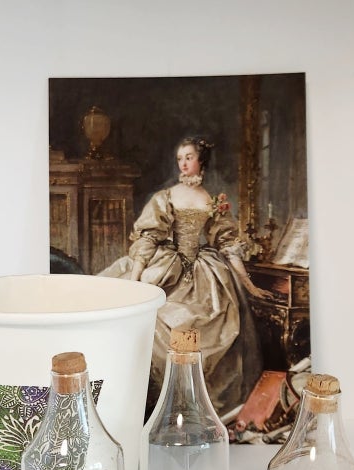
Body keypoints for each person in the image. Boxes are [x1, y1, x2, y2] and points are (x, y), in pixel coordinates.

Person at [101, 136, 269, 416]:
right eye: (180, 158)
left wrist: (248, 284)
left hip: (204, 273)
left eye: (189, 157)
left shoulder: (213, 201)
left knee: (222, 320)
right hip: (168, 269)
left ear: (201, 160)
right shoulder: (167, 197)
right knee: (156, 320)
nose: (183, 163)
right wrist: (135, 279)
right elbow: (148, 238)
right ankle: (163, 406)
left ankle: (198, 408)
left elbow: (227, 244)